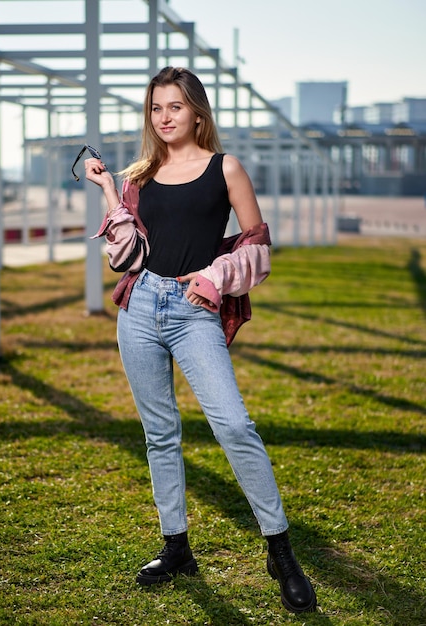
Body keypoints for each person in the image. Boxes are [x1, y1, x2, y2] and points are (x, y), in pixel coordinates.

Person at [84, 66, 317, 614]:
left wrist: (213, 277)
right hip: (140, 308)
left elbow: (258, 250)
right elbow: (127, 257)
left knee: (234, 425)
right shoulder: (139, 174)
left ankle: (280, 551)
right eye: (156, 109)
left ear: (197, 112)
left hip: (194, 311)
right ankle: (177, 549)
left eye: (175, 108)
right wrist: (109, 192)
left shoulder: (225, 168)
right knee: (160, 433)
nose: (165, 118)